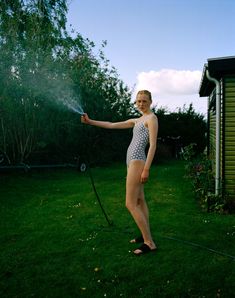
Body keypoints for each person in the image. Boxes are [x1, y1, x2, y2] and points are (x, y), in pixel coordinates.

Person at [81, 90, 158, 255]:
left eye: (144, 101)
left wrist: (146, 169)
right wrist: (90, 122)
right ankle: (145, 235)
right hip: (131, 161)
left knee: (130, 203)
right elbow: (111, 125)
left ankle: (149, 243)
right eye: (138, 101)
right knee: (140, 200)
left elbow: (152, 145)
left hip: (138, 161)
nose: (141, 104)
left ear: (150, 101)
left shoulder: (151, 118)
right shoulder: (137, 120)